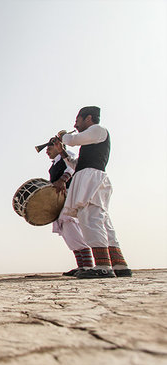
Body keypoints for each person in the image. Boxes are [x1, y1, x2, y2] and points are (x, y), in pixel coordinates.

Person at [53, 106, 132, 278]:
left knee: (90, 218)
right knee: (102, 221)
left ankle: (103, 266)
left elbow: (72, 139)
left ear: (88, 118)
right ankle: (119, 265)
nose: (76, 124)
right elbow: (76, 164)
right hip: (90, 178)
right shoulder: (91, 138)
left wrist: (62, 136)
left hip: (91, 180)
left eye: (77, 120)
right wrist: (62, 151)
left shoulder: (98, 130)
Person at [45, 140, 94, 276]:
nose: (47, 152)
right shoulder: (55, 162)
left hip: (71, 196)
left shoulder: (66, 155)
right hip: (62, 199)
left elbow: (72, 168)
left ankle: (88, 266)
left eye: (49, 148)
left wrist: (62, 180)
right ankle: (81, 267)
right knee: (68, 233)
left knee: (73, 229)